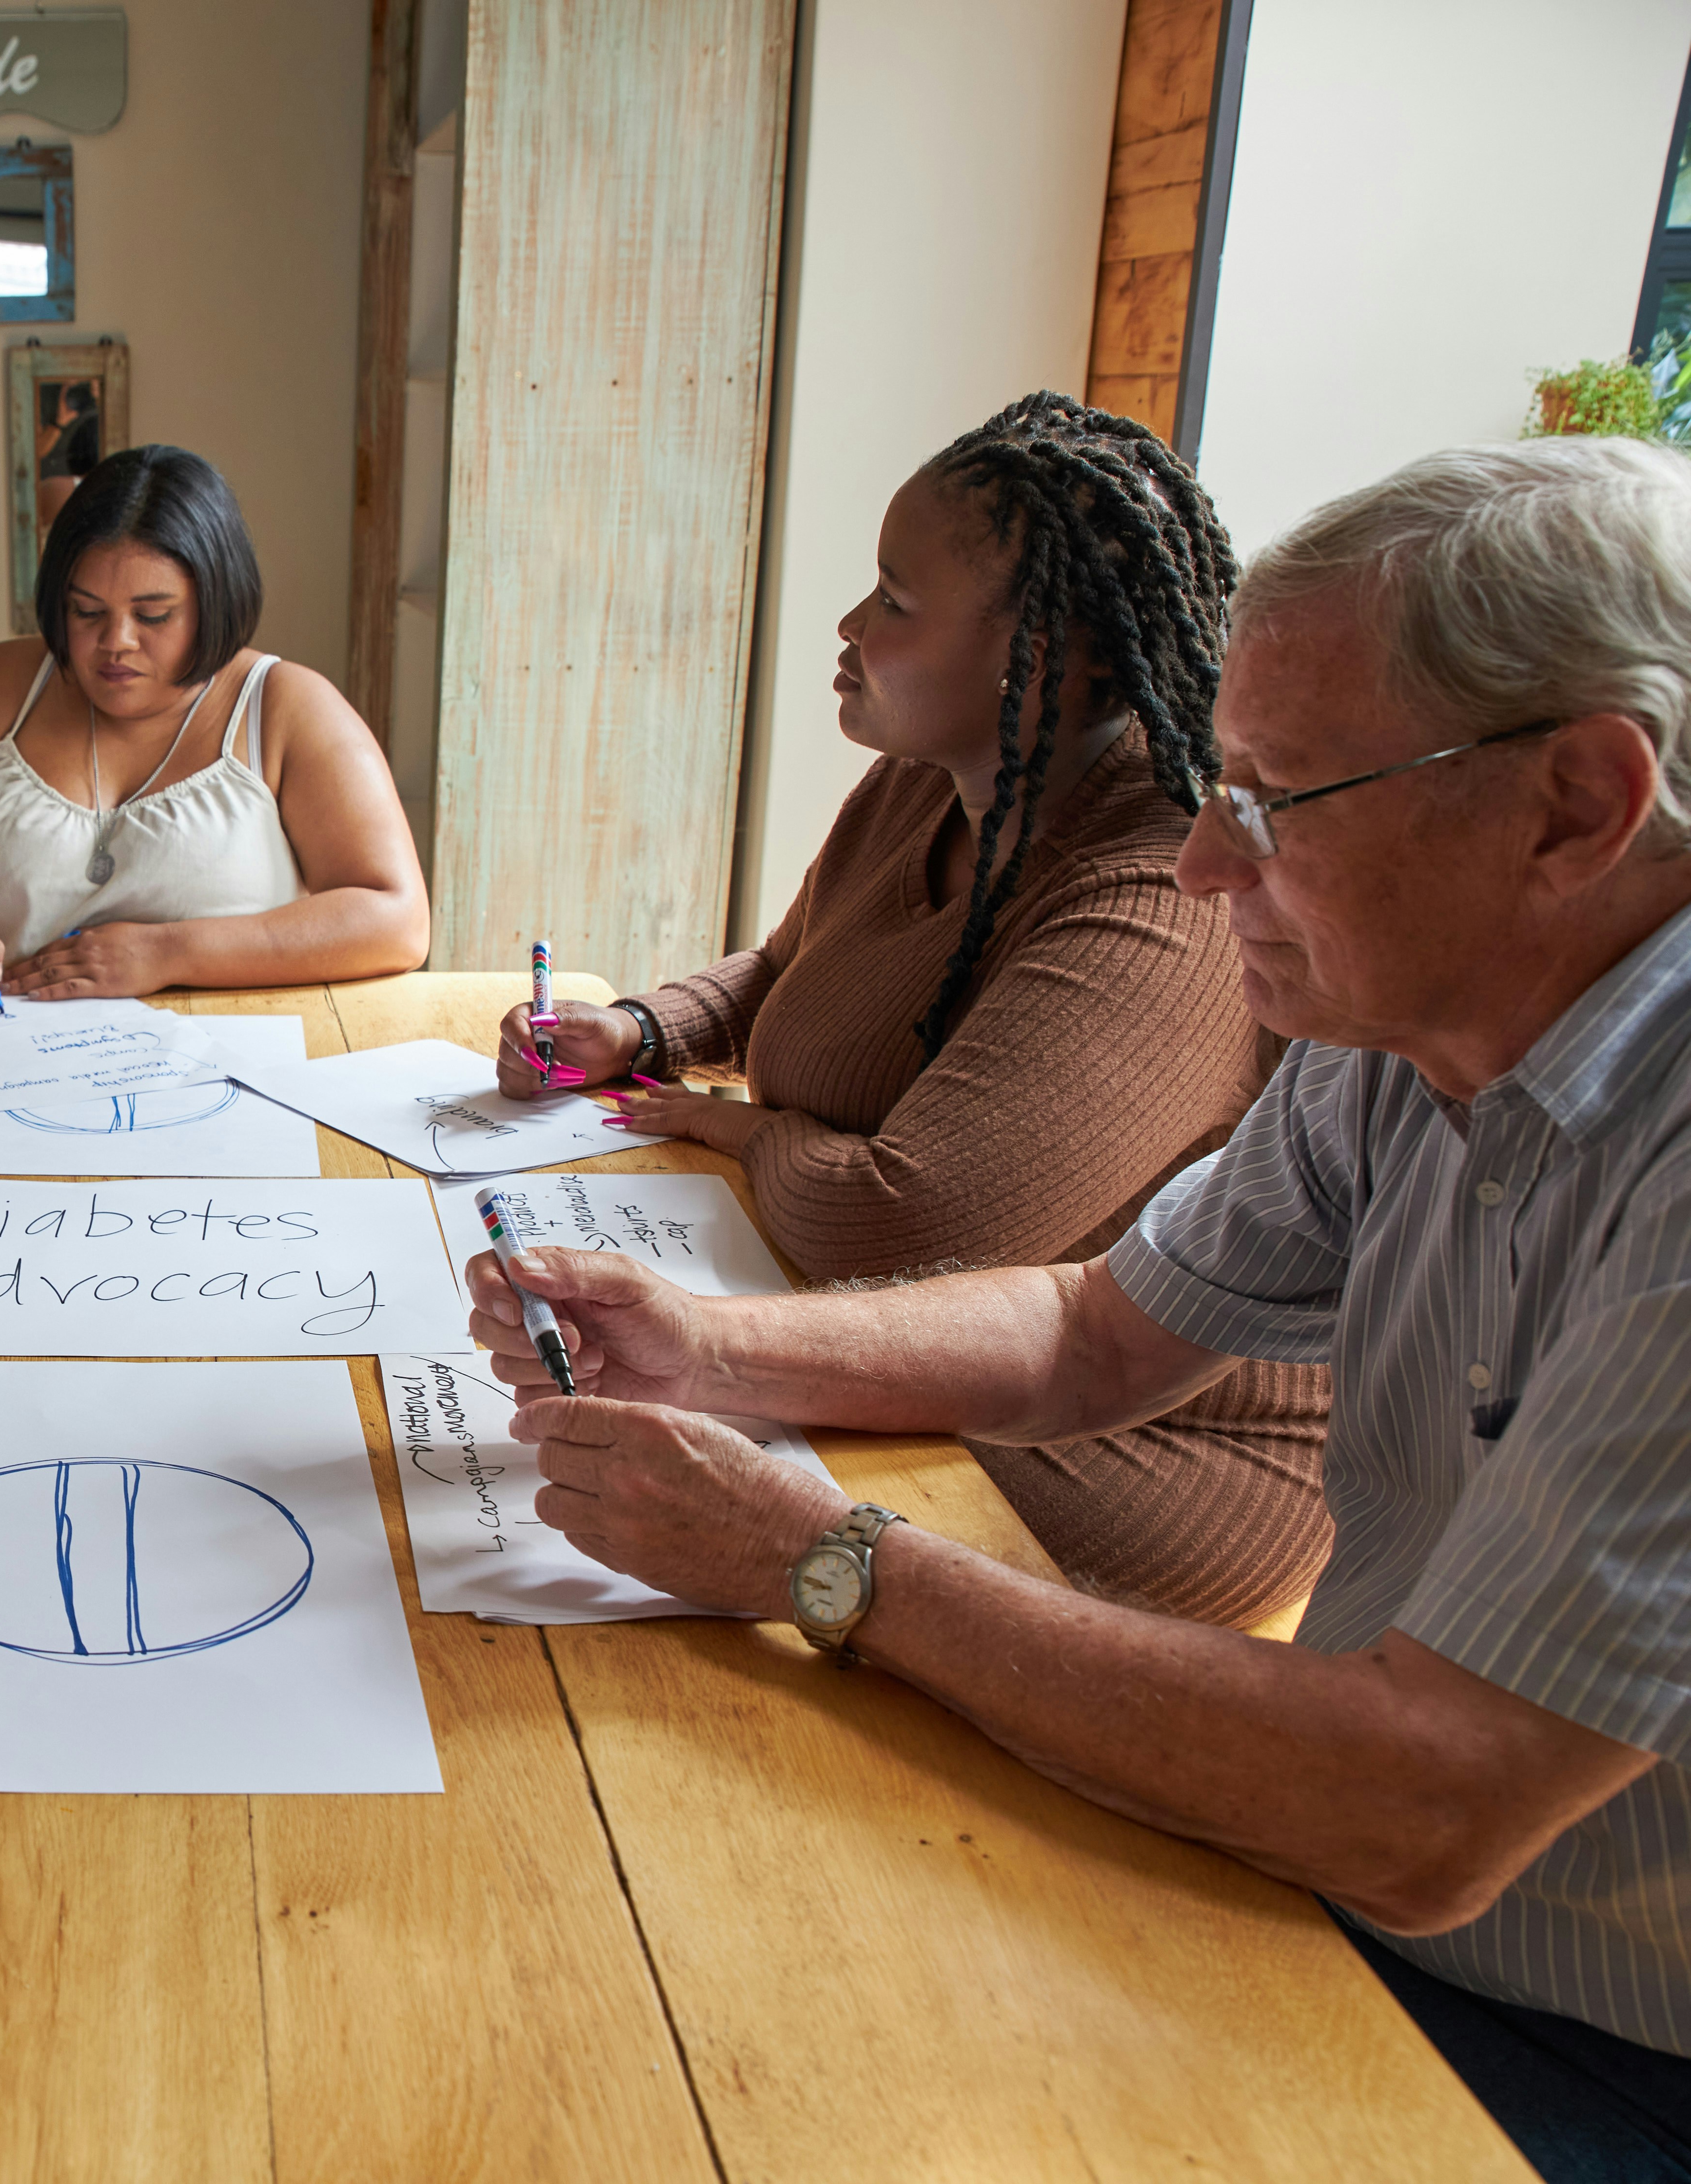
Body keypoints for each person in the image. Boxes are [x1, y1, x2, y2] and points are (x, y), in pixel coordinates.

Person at [462, 437, 1691, 2175]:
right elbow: (1094, 1335)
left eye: (1273, 799)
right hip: (1358, 1892)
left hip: (1584, 2037)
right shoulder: (1412, 1025)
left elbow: (1426, 1801)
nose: (1203, 864)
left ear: (1569, 803)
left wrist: (822, 1560)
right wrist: (707, 1342)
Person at [496, 392, 1328, 1626]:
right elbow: (790, 968)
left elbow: (904, 1231)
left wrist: (743, 1130)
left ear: (1042, 654)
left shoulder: (1159, 887)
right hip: (873, 1330)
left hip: (1123, 1459)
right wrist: (646, 1030)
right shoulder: (928, 780)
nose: (847, 625)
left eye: (893, 601)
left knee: (577, 1524)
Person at [0, 443, 429, 1009]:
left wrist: (169, 952)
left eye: (153, 614)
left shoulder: (285, 708)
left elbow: (396, 920)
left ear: (215, 600)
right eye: (86, 611)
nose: (115, 643)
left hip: (220, 1078)